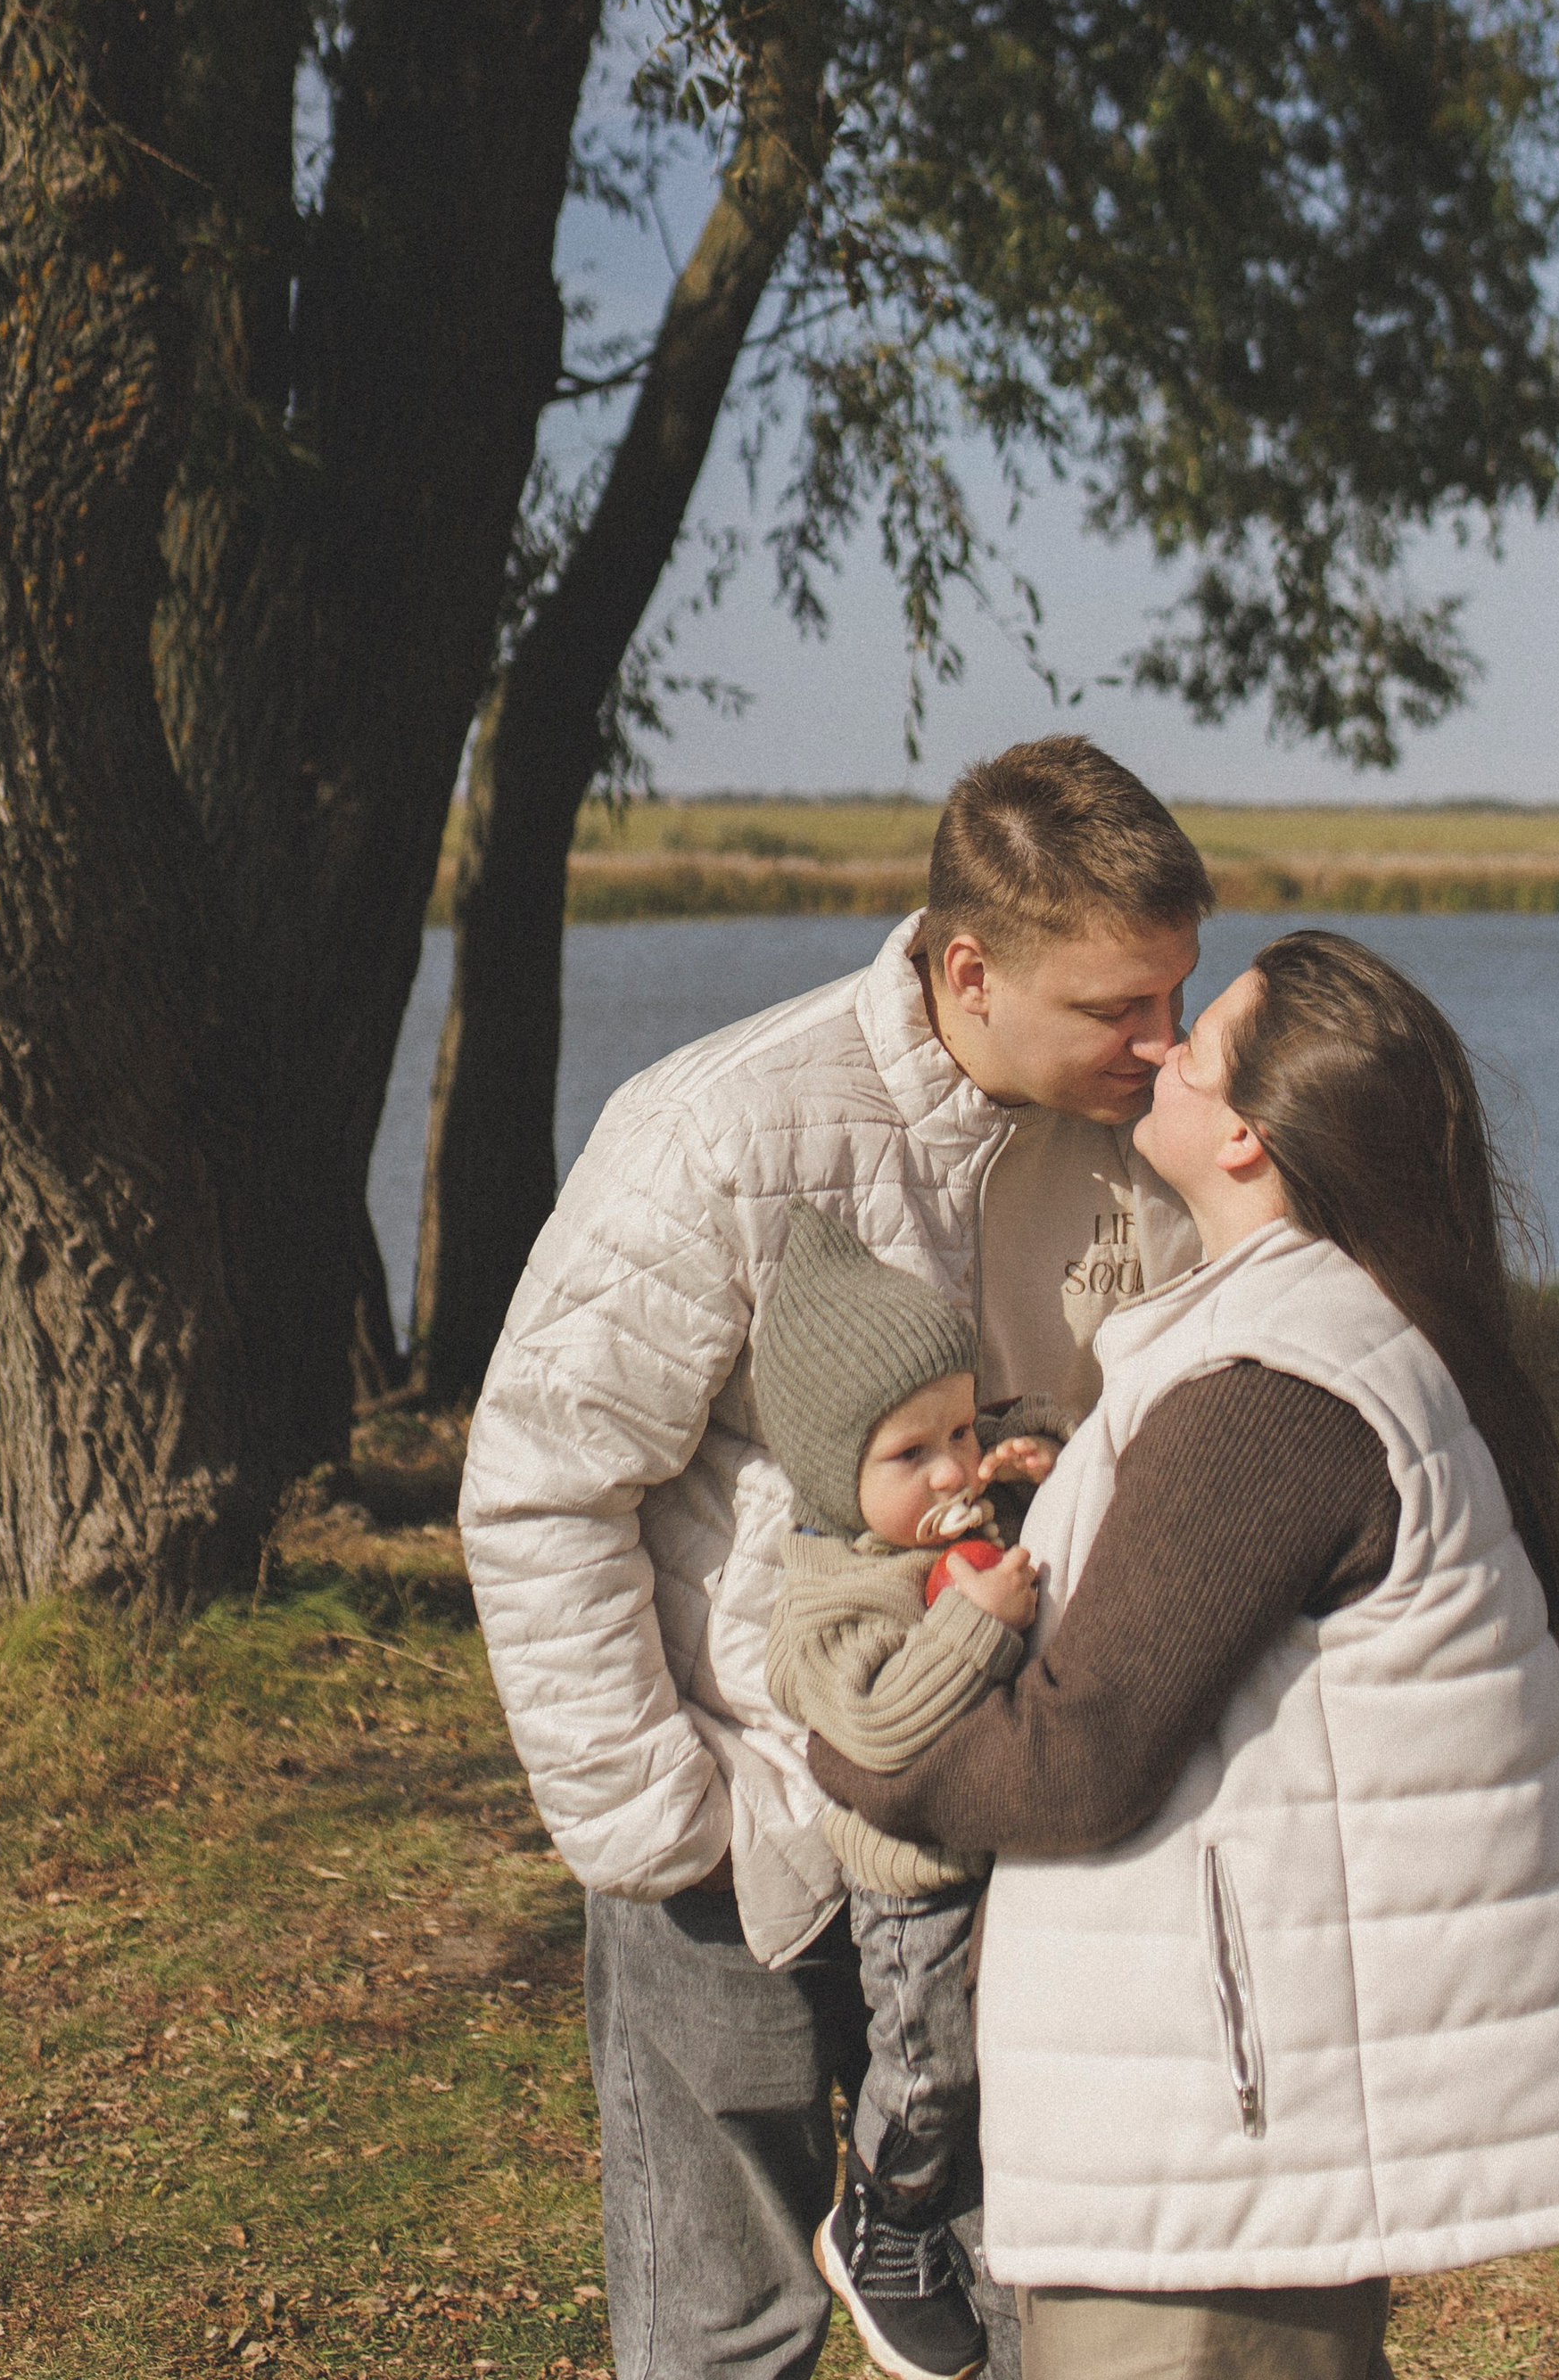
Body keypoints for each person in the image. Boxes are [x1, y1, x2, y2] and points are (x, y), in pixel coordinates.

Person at [458, 737, 1209, 2380]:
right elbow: (539, 1490)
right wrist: (666, 1828)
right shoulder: (721, 1132)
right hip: (752, 1838)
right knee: (731, 2326)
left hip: (1023, 1829)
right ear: (969, 969)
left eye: (1179, 994)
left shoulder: (1150, 1139)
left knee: (1032, 2307)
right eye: (1118, 1009)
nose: (1166, 1045)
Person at [812, 930, 1559, 2380]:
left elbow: (1080, 1763)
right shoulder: (1336, 1333)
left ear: (1251, 1135)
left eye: (1195, 1046)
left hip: (1218, 2126)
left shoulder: (1274, 1390)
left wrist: (862, 1742)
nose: (1156, 1047)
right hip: (1250, 2101)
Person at [754, 1198, 1060, 2380]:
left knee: (997, 2070)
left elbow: (994, 1475)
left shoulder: (945, 1523)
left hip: (998, 1864)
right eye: (912, 1453)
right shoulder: (826, 1602)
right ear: (836, 1476)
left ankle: (942, 2220)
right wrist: (973, 1629)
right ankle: (881, 2224)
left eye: (960, 1430)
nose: (954, 1470)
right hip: (913, 1885)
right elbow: (879, 1725)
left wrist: (1031, 1464)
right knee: (931, 2067)